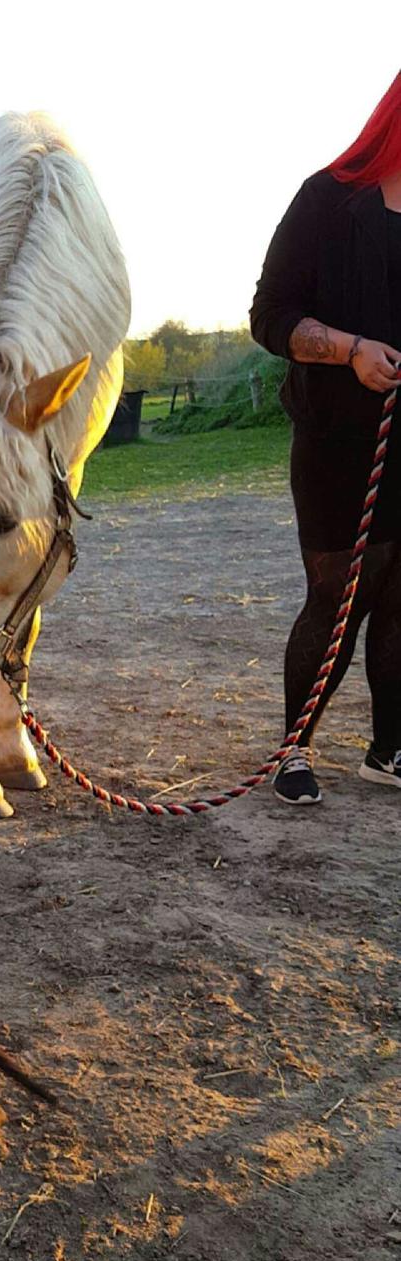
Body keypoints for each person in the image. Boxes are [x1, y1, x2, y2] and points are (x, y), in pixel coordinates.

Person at [250, 73, 401, 804]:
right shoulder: (326, 198)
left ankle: (388, 749)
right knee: (340, 589)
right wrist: (350, 350)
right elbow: (270, 315)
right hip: (339, 439)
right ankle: (293, 749)